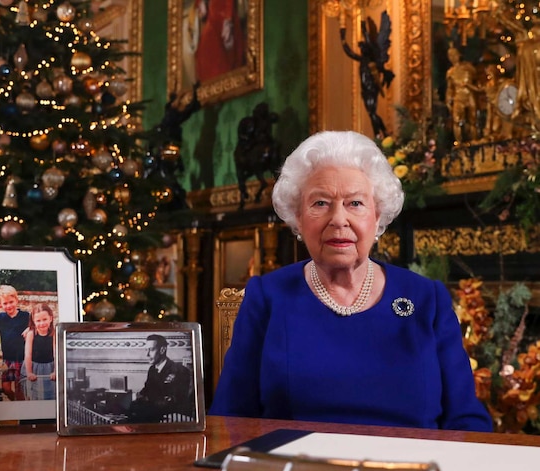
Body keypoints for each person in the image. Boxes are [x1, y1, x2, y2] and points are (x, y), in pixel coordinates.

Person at [210, 130, 493, 432]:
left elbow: (466, 418)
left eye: (355, 203)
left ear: (378, 214)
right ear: (298, 217)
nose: (338, 219)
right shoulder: (267, 297)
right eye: (320, 203)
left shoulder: (427, 299)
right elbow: (230, 418)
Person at [340, 11, 394, 138]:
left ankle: (379, 134)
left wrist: (363, 24)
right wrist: (342, 37)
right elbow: (348, 52)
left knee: (372, 112)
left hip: (371, 88)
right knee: (371, 113)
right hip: (365, 89)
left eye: (364, 47)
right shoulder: (362, 59)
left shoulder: (371, 59)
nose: (362, 49)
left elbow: (368, 40)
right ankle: (382, 133)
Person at [129, 334, 194, 423]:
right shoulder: (152, 369)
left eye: (151, 350)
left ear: (162, 350)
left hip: (171, 416)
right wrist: (137, 396)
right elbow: (146, 390)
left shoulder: (179, 370)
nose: (147, 354)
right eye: (146, 350)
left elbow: (175, 401)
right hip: (153, 411)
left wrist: (145, 400)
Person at [0, 285, 30, 401]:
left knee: (20, 389)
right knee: (6, 388)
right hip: (7, 359)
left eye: (11, 302)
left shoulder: (25, 316)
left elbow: (35, 325)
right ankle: (14, 402)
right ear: (1, 304)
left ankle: (20, 406)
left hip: (21, 359)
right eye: (5, 303)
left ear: (16, 300)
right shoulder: (1, 317)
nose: (8, 305)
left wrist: (30, 329)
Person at [194, 0, 245, 83]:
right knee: (205, 49)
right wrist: (200, 2)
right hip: (213, 17)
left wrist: (228, 20)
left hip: (226, 18)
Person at [445, 46, 479, 144]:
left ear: (459, 54)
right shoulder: (450, 72)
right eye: (450, 55)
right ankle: (459, 143)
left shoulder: (469, 67)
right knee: (457, 120)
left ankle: (474, 142)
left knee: (473, 120)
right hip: (458, 97)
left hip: (469, 95)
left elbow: (476, 80)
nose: (452, 57)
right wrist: (448, 100)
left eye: (454, 54)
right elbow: (450, 88)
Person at [22, 303, 56, 401]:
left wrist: (55, 371)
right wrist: (29, 372)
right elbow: (28, 355)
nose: (42, 323)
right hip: (34, 367)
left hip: (49, 368)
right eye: (38, 321)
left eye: (44, 319)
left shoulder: (54, 334)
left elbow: (56, 354)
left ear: (50, 318)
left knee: (51, 395)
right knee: (33, 396)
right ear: (33, 321)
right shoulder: (31, 334)